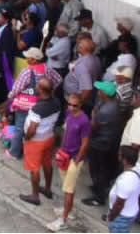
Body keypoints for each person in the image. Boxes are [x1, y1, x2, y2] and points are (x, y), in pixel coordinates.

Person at [48, 92, 92, 232]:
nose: (71, 107)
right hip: (64, 156)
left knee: (68, 190)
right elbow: (65, 133)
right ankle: (69, 211)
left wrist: (77, 159)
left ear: (80, 105)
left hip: (73, 159)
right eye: (70, 104)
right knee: (67, 188)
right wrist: (60, 150)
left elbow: (85, 143)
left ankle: (63, 220)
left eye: (75, 105)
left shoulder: (84, 121)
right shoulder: (68, 114)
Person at [19, 78, 61, 206]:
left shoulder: (37, 109)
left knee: (34, 169)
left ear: (42, 90)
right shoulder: (57, 102)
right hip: (49, 138)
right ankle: (47, 189)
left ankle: (35, 196)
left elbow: (32, 129)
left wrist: (26, 138)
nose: (36, 87)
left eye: (38, 86)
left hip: (36, 142)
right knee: (47, 164)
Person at [85, 80, 126, 208]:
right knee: (104, 169)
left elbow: (93, 126)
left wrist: (93, 116)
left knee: (97, 169)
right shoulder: (111, 103)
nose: (98, 92)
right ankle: (99, 187)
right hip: (110, 141)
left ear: (105, 94)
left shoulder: (106, 111)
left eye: (100, 90)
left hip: (101, 143)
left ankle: (99, 197)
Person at [108, 147, 140, 233]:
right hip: (131, 211)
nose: (118, 156)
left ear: (125, 160)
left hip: (121, 217)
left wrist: (112, 217)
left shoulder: (126, 180)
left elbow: (119, 204)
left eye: (119, 155)